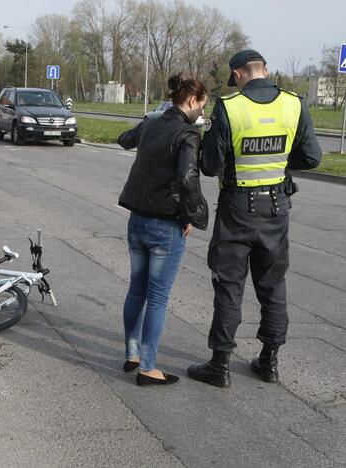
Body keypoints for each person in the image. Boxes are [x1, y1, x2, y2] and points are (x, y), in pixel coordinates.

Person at [187, 50, 322, 388]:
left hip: (237, 209)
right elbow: (312, 157)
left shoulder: (230, 107)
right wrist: (279, 164)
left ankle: (220, 366)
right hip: (276, 207)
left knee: (230, 286)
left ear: (237, 75)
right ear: (265, 70)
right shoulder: (294, 104)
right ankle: (269, 362)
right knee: (273, 285)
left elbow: (211, 167)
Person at [117, 75, 209, 386]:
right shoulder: (188, 133)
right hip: (164, 225)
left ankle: (132, 354)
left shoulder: (152, 122)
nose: (202, 114)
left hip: (137, 219)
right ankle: (149, 367)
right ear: (193, 101)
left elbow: (124, 139)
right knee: (157, 298)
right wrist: (191, 215)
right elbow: (188, 179)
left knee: (136, 291)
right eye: (202, 107)